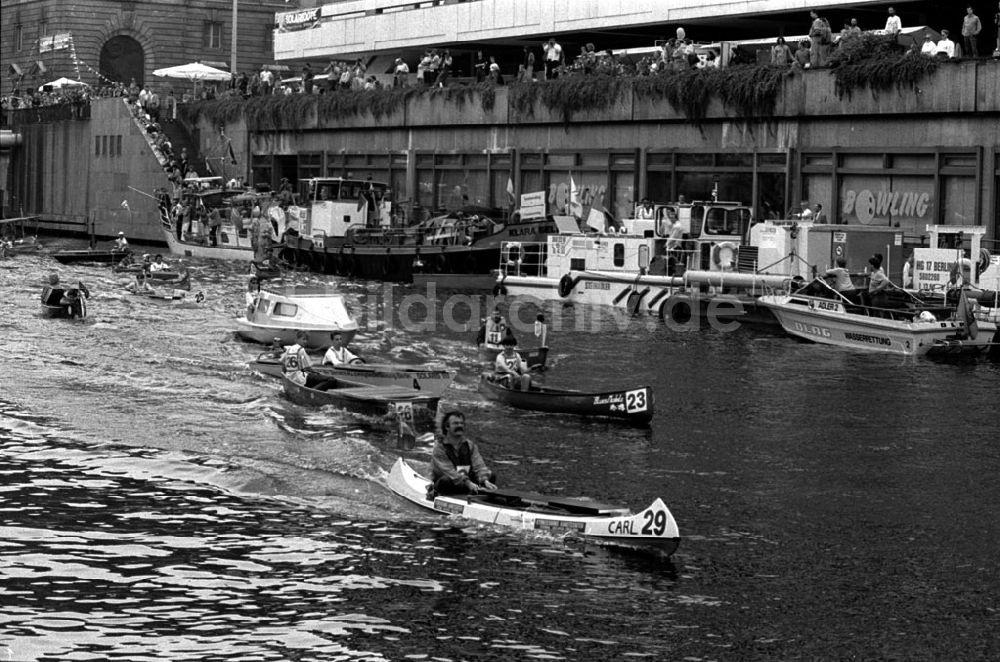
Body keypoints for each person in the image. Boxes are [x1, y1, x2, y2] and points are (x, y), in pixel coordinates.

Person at [430, 410, 497, 496]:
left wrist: (485, 480)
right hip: (451, 483)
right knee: (446, 480)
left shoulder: (470, 445)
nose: (460, 426)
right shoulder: (439, 448)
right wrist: (468, 483)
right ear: (447, 427)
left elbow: (479, 465)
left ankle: (479, 495)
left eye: (461, 423)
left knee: (491, 475)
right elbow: (449, 472)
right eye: (455, 423)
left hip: (467, 482)